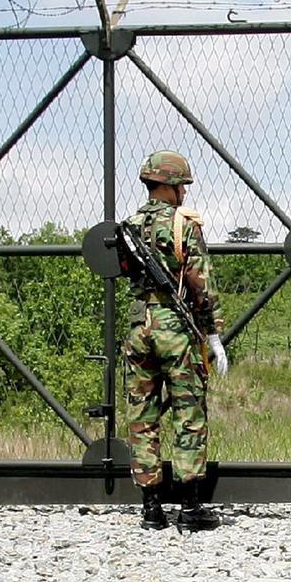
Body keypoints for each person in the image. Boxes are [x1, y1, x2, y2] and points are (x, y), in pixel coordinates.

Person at [123, 150, 228, 531]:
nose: (184, 192)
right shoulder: (184, 225)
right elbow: (201, 285)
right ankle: (190, 506)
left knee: (142, 414)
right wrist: (213, 333)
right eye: (181, 185)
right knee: (189, 413)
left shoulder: (129, 225)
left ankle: (151, 507)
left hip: (138, 325)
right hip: (176, 327)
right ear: (169, 185)